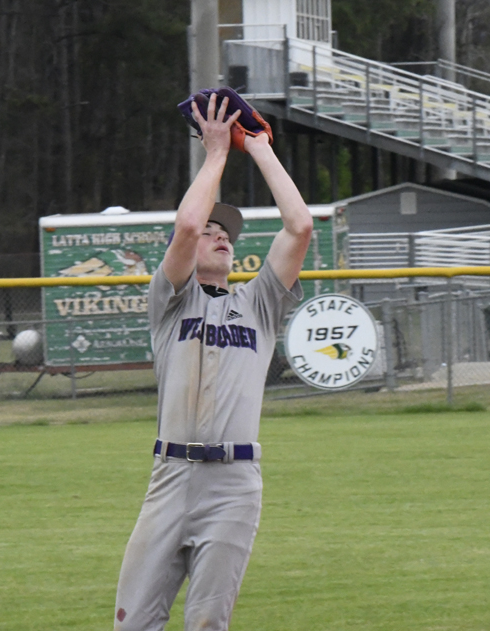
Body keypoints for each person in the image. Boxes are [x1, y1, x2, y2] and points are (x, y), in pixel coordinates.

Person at [114, 92, 313, 631]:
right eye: (212, 231)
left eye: (227, 234)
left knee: (206, 624)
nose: (220, 236)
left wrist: (259, 147)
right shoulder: (170, 300)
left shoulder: (260, 303)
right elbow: (185, 226)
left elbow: (299, 228)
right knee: (132, 625)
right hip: (171, 476)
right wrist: (216, 154)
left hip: (233, 483)